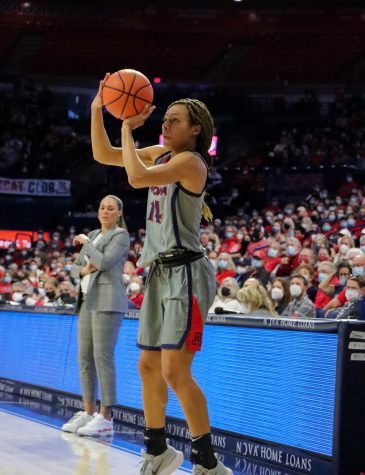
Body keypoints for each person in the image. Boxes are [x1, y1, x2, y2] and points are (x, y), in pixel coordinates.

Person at [91, 77, 232, 475]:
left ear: (195, 130)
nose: (165, 126)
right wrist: (100, 108)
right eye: (164, 119)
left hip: (187, 272)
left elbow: (135, 178)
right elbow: (104, 154)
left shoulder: (190, 162)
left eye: (174, 120)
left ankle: (207, 462)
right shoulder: (160, 155)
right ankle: (158, 451)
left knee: (174, 370)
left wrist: (127, 128)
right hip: (159, 272)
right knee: (147, 367)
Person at [61, 195, 130, 437]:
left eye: (111, 208)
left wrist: (86, 246)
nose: (105, 211)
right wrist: (83, 268)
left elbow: (103, 262)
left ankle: (106, 417)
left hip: (109, 301)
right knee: (84, 359)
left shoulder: (120, 235)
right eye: (102, 207)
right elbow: (73, 268)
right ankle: (89, 412)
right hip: (87, 301)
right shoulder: (92, 234)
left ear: (118, 213)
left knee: (103, 357)